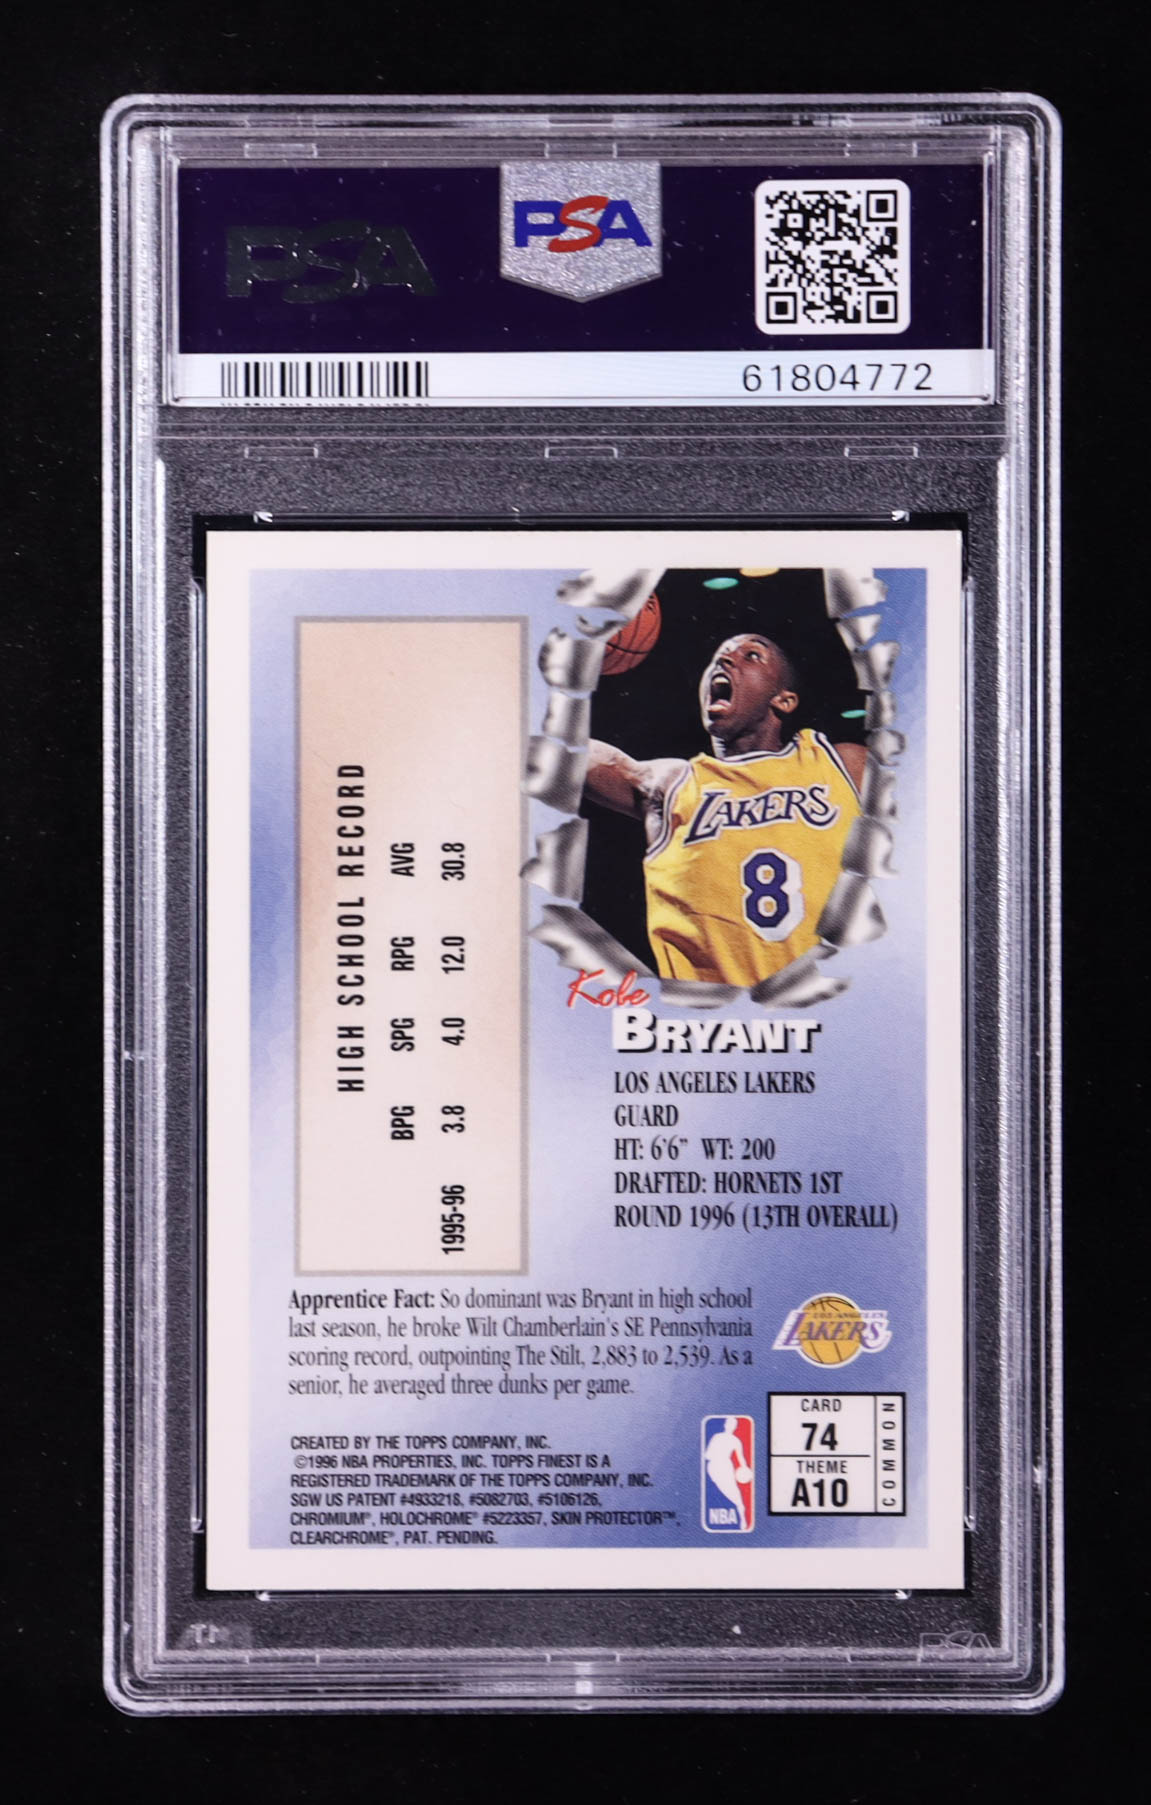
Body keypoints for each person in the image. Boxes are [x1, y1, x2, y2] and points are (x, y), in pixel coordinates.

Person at [584, 633, 865, 986]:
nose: (726, 659)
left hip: (830, 1001)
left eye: (752, 655)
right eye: (720, 655)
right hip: (717, 1012)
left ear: (784, 700)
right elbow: (559, 751)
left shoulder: (841, 764)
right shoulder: (670, 785)